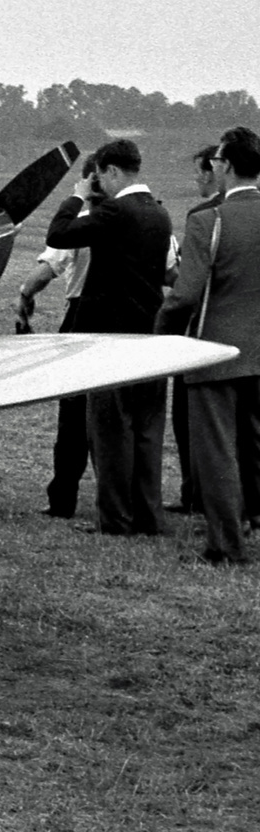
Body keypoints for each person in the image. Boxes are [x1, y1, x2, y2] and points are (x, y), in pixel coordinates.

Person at [46, 138, 173, 535]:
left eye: (100, 174)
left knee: (112, 431)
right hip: (149, 331)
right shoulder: (160, 213)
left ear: (112, 171)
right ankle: (148, 514)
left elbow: (59, 234)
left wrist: (76, 195)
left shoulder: (117, 211)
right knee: (147, 431)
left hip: (111, 335)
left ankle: (115, 518)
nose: (98, 181)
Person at [157, 132, 260, 564]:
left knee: (218, 453)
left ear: (225, 165)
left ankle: (225, 544)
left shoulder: (209, 220)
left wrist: (162, 334)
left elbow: (185, 295)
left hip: (215, 352)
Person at [19, 156, 99, 518]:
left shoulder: (81, 224)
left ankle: (63, 498)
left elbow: (44, 271)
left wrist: (24, 298)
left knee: (73, 417)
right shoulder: (140, 218)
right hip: (129, 319)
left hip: (81, 315)